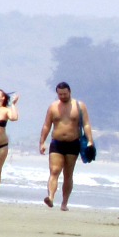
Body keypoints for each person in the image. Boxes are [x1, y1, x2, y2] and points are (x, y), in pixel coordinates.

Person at [39, 82, 93, 211]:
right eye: (60, 94)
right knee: (54, 170)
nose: (62, 96)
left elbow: (86, 124)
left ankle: (64, 203)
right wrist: (42, 142)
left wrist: (90, 140)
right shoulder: (53, 107)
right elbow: (46, 125)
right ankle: (51, 197)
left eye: (65, 94)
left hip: (73, 143)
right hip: (57, 143)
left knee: (68, 175)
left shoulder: (79, 106)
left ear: (70, 92)